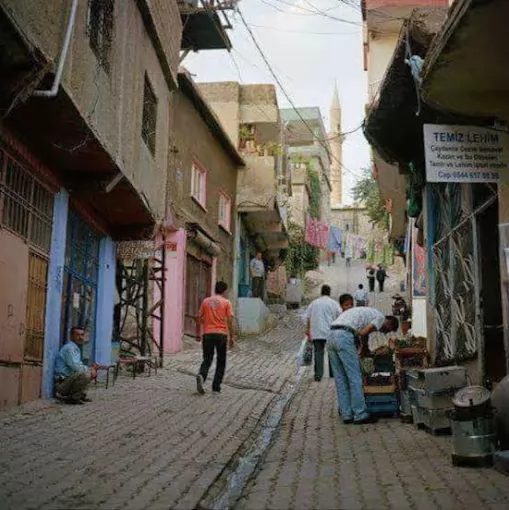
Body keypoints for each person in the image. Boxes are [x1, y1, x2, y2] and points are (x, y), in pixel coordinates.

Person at [327, 307, 399, 424]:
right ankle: (360, 414)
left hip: (330, 335)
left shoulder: (369, 314)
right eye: (388, 330)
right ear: (389, 323)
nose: (384, 333)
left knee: (340, 378)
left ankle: (346, 414)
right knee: (355, 377)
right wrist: (359, 346)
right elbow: (363, 332)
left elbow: (366, 334)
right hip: (344, 337)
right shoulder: (380, 317)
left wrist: (365, 349)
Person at [196, 281, 236, 395]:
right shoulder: (226, 302)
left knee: (207, 359)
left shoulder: (205, 301)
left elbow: (199, 318)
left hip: (207, 334)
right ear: (224, 291)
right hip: (221, 334)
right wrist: (232, 337)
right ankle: (216, 388)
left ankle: (202, 375)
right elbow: (229, 320)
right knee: (221, 361)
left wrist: (199, 333)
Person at [304, 285, 342, 382]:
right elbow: (340, 316)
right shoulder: (334, 303)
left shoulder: (314, 303)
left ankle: (318, 375)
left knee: (318, 352)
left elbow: (307, 317)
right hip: (330, 332)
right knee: (332, 353)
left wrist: (308, 330)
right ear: (329, 292)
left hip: (316, 332)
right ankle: (333, 374)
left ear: (321, 292)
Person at [54, 327, 95, 405]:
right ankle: (72, 398)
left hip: (68, 380)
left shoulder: (75, 348)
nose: (80, 337)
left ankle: (80, 395)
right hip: (62, 383)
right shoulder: (69, 348)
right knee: (86, 374)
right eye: (77, 335)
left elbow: (78, 366)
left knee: (89, 372)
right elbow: (74, 366)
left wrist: (90, 369)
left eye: (82, 335)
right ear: (71, 336)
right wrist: (89, 369)